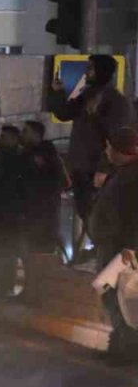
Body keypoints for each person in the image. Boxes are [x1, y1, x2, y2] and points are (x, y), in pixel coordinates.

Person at [48, 54, 134, 263]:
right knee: (86, 211)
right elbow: (65, 113)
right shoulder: (87, 95)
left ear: (102, 72)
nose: (86, 73)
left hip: (96, 169)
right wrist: (58, 93)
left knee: (99, 214)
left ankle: (107, 255)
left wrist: (104, 168)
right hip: (82, 166)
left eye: (91, 69)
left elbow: (117, 137)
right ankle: (99, 252)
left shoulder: (115, 101)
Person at [90, 128, 138, 363]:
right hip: (112, 244)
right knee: (112, 297)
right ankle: (120, 344)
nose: (107, 151)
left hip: (122, 250)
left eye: (110, 146)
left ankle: (125, 348)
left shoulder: (132, 177)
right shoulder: (121, 173)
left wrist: (130, 246)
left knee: (121, 299)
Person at [19, 121, 66, 304]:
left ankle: (40, 294)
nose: (22, 134)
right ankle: (30, 291)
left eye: (25, 131)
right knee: (29, 254)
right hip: (31, 213)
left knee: (41, 254)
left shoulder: (46, 154)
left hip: (42, 215)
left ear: (36, 134)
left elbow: (59, 181)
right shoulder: (28, 154)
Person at [0, 125, 26, 299]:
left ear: (14, 139)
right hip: (0, 211)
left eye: (5, 136)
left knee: (8, 251)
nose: (1, 139)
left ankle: (6, 286)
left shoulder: (18, 158)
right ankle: (1, 285)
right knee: (1, 251)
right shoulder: (2, 156)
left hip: (11, 212)